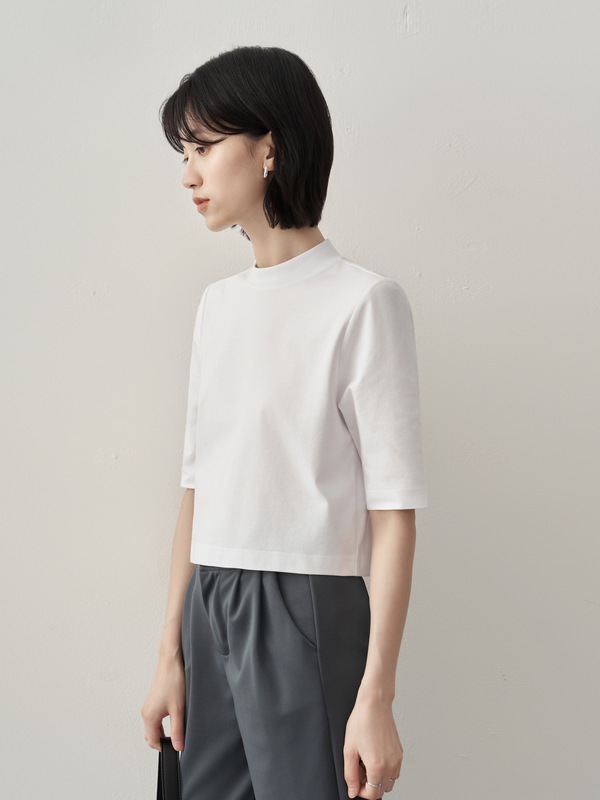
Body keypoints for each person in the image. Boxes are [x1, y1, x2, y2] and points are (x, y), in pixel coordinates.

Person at [141, 45, 428, 800]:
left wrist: (377, 697)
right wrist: (169, 654)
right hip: (208, 599)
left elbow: (393, 513)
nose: (189, 175)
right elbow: (198, 489)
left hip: (306, 607)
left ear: (268, 147)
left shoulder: (364, 303)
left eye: (204, 147)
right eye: (183, 154)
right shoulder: (217, 307)